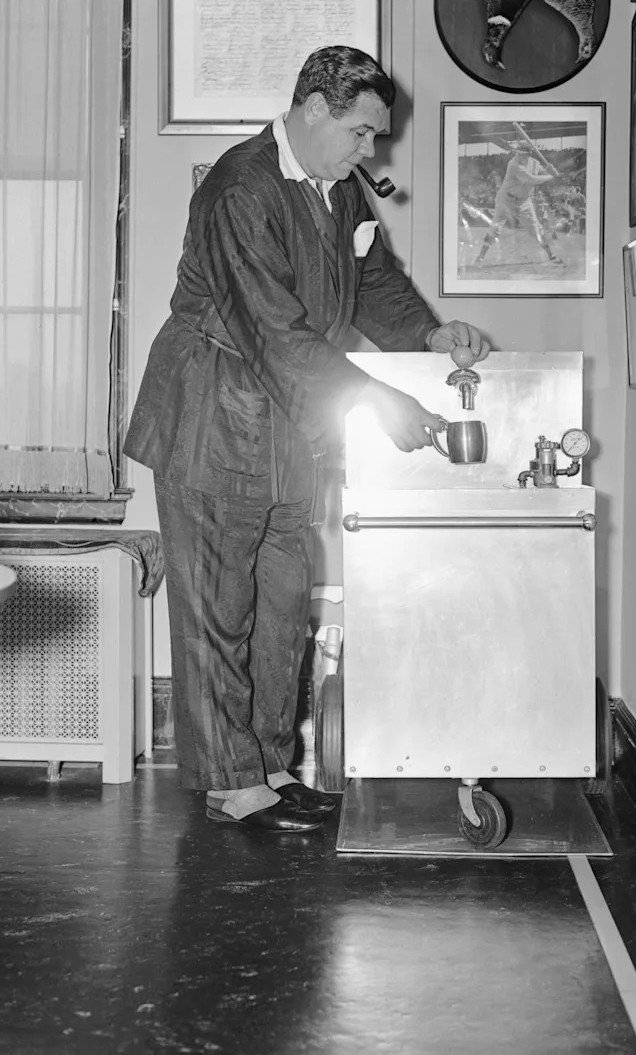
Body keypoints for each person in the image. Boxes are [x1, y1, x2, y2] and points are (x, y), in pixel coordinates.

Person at [124, 46, 491, 833]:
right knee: (220, 602)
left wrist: (429, 336)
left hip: (286, 415)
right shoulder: (239, 187)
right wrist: (380, 401)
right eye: (362, 133)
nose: (372, 151)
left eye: (376, 138)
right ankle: (232, 782)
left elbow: (375, 282)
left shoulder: (340, 189)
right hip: (211, 409)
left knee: (285, 599)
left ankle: (268, 763)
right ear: (315, 110)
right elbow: (274, 334)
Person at [475, 146, 559, 265]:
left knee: (536, 229)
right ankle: (480, 257)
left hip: (524, 201)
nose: (519, 156)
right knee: (495, 227)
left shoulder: (534, 163)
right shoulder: (513, 165)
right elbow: (532, 179)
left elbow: (542, 173)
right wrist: (551, 176)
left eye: (522, 154)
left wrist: (549, 169)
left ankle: (552, 255)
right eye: (518, 153)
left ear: (529, 155)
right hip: (505, 200)